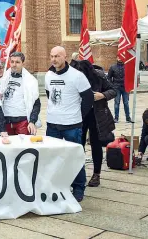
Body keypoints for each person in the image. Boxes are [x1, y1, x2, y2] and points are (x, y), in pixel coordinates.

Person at [45, 46, 94, 202]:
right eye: (52, 56)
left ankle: (79, 187)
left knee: (74, 157)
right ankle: (58, 185)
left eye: (57, 56)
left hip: (72, 125)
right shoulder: (48, 75)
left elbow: (88, 98)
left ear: (65, 57)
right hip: (52, 124)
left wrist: (77, 115)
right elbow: (49, 94)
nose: (54, 59)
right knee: (53, 157)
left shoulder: (77, 76)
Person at [72, 60, 116, 187]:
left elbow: (113, 90)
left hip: (96, 115)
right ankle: (78, 174)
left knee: (96, 144)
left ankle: (96, 174)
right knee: (78, 144)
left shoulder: (99, 76)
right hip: (79, 114)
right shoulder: (73, 76)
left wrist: (102, 95)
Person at [0, 52, 41, 135]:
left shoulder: (30, 81)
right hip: (6, 120)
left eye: (17, 62)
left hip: (22, 121)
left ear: (22, 63)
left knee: (23, 147)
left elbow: (36, 103)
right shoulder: (4, 79)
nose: (14, 64)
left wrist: (32, 121)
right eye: (12, 62)